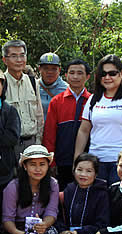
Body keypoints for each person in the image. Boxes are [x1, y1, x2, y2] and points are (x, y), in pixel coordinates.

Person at [74, 54, 122, 185]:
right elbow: (83, 131)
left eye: (112, 73)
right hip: (95, 162)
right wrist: (77, 160)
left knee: (117, 203)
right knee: (96, 203)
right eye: (103, 74)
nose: (107, 77)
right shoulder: (93, 99)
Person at [1, 145, 59, 234]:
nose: (38, 169)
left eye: (42, 164)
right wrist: (17, 233)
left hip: (39, 228)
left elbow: (52, 212)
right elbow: (7, 218)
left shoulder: (53, 184)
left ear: (48, 166)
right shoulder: (13, 187)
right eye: (33, 164)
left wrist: (44, 224)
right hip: (16, 230)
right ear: (25, 166)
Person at [47, 153, 109, 234]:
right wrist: (63, 231)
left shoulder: (102, 193)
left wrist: (77, 232)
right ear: (74, 170)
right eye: (79, 169)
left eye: (89, 171)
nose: (83, 174)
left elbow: (102, 224)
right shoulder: (69, 189)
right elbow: (57, 215)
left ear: (96, 174)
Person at [42, 58, 91, 190]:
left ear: (88, 76)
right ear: (66, 75)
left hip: (88, 161)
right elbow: (49, 134)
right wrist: (51, 162)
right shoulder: (57, 101)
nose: (75, 76)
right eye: (72, 72)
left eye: (80, 73)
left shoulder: (93, 101)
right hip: (62, 161)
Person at [2, 40, 44, 155]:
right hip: (9, 145)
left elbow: (39, 115)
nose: (19, 60)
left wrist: (38, 143)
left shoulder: (32, 81)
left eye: (22, 55)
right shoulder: (0, 83)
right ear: (5, 60)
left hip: (31, 142)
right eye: (14, 56)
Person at [37, 52, 68, 122]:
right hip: (37, 130)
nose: (50, 72)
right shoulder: (33, 87)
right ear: (39, 69)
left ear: (59, 70)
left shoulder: (66, 90)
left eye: (54, 69)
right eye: (46, 68)